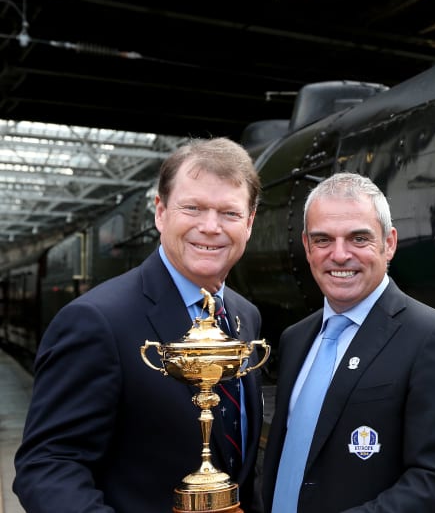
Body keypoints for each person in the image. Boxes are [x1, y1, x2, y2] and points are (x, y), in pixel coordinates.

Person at [14, 137, 265, 513]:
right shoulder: (96, 320)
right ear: (160, 212)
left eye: (229, 213)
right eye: (193, 208)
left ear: (249, 222)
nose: (210, 227)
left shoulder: (246, 316)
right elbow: (48, 467)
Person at [262, 172, 435, 513]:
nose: (339, 255)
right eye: (323, 240)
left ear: (389, 243)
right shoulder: (295, 339)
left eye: (358, 239)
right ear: (306, 247)